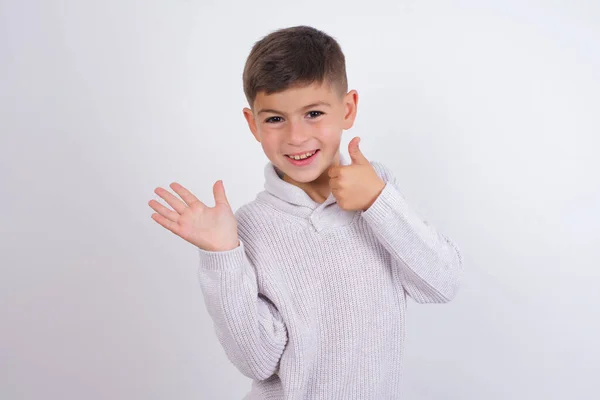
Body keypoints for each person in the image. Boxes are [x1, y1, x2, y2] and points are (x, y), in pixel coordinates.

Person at [148, 25, 463, 399]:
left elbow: (441, 283)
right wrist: (222, 255)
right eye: (275, 119)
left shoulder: (376, 188)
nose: (296, 137)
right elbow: (257, 361)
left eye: (313, 113)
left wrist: (379, 201)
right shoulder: (249, 228)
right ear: (253, 124)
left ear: (347, 110)